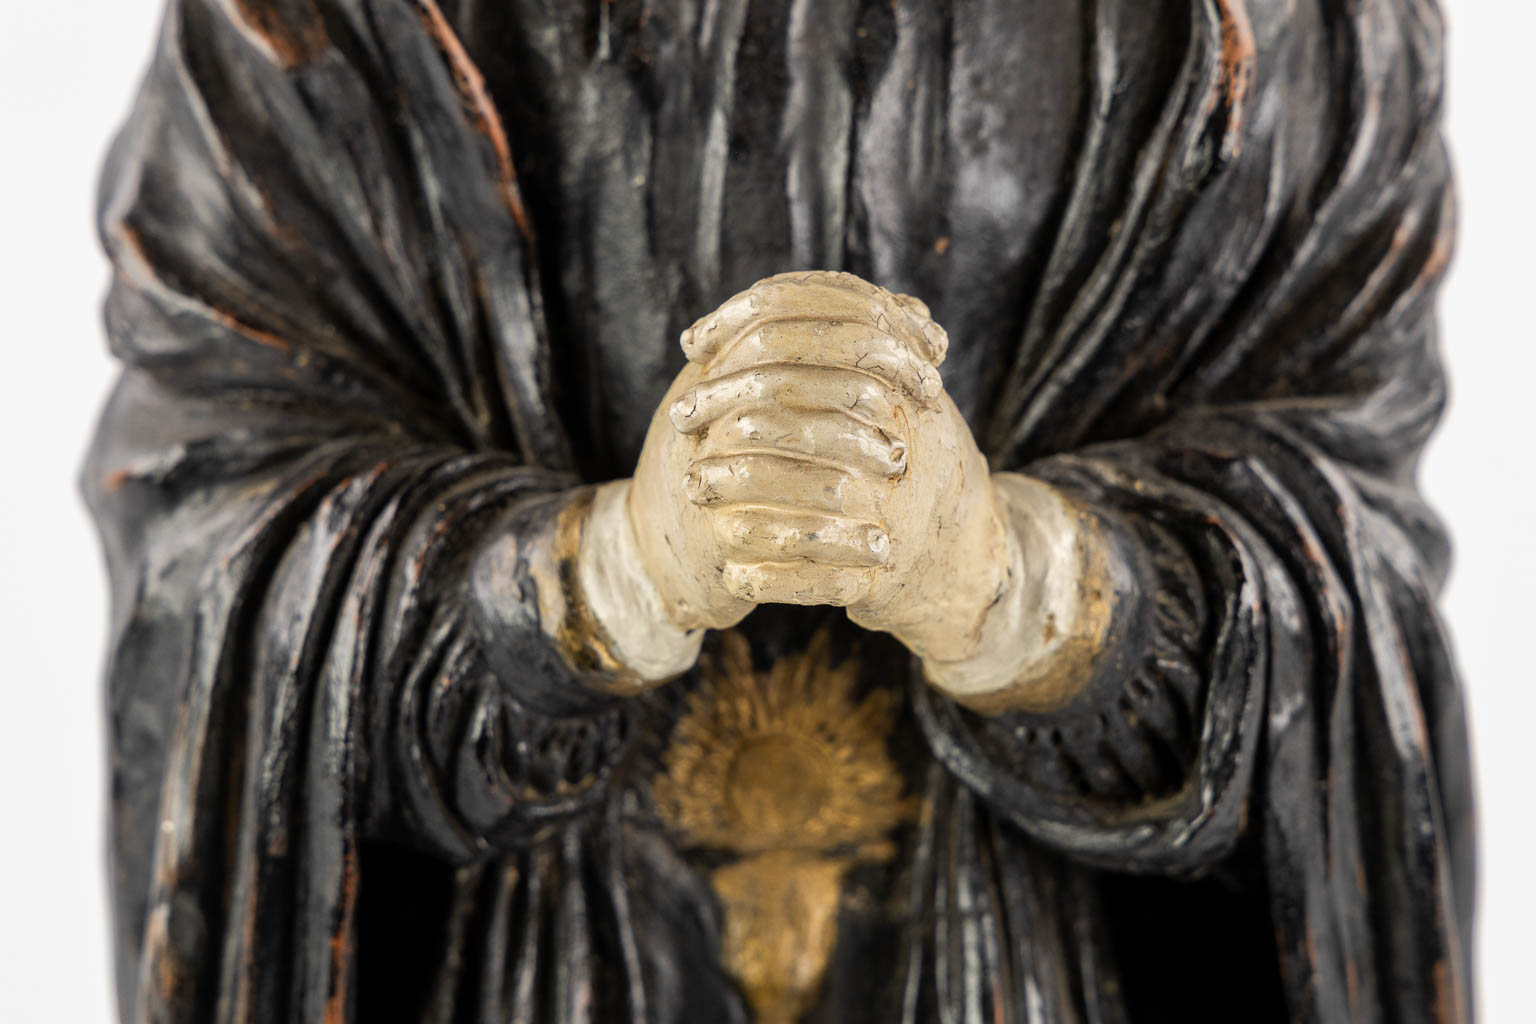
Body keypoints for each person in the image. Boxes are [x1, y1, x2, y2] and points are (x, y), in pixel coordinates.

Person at [85, 0, 1473, 1021]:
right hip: (538, 959)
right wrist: (605, 576)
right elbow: (212, 486)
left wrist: (1010, 586)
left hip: (1031, 954)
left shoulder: (1290, 32)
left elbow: (1346, 513)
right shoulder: (333, 27)